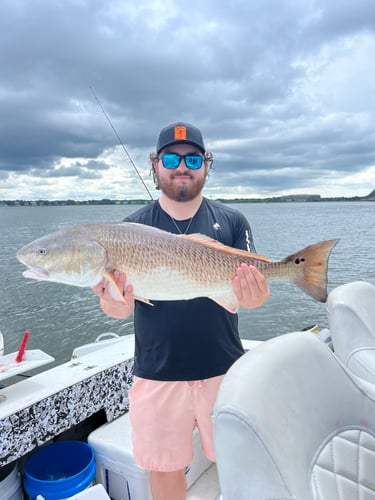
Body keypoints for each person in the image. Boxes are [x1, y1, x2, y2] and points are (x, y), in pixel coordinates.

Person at [93, 122, 270, 500]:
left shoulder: (234, 221)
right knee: (163, 469)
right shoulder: (130, 229)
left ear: (207, 165)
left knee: (240, 461)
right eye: (171, 158)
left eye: (192, 158)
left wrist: (253, 293)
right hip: (157, 373)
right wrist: (114, 301)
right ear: (154, 166)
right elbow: (118, 309)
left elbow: (252, 300)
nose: (182, 167)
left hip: (223, 368)